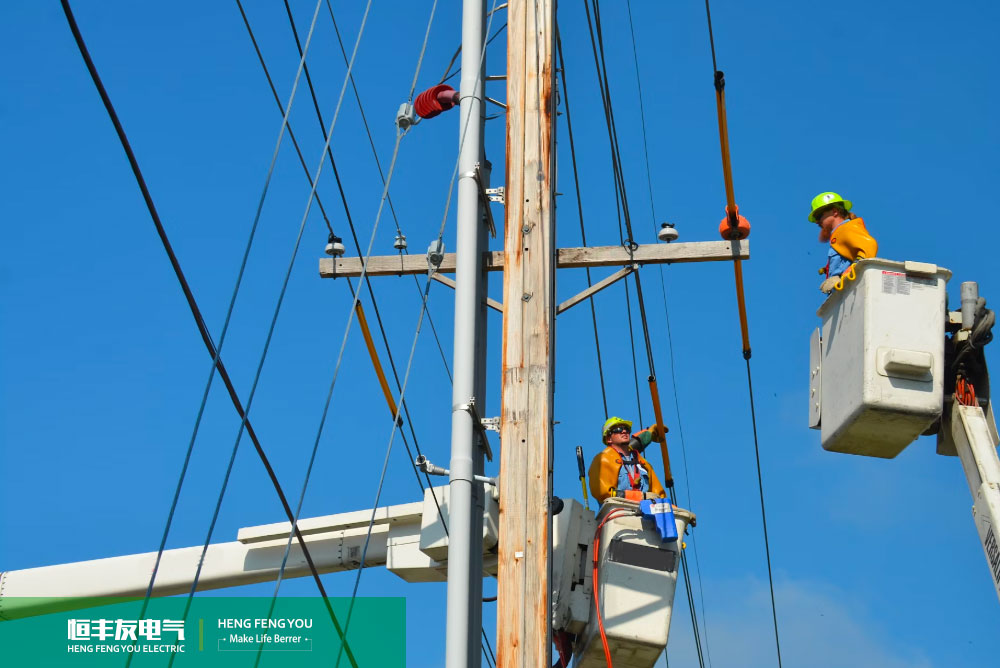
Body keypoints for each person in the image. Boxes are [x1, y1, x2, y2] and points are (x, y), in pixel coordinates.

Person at [809, 191, 878, 294]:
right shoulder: (839, 233)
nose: (816, 221)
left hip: (850, 291)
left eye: (819, 215)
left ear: (835, 211)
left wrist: (845, 275)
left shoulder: (846, 229)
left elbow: (870, 246)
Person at [588, 416, 667, 504]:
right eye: (618, 429)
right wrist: (640, 497)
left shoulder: (643, 463)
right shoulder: (603, 460)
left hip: (648, 512)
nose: (624, 431)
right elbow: (603, 492)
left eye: (627, 429)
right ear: (608, 439)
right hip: (619, 512)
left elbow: (660, 495)